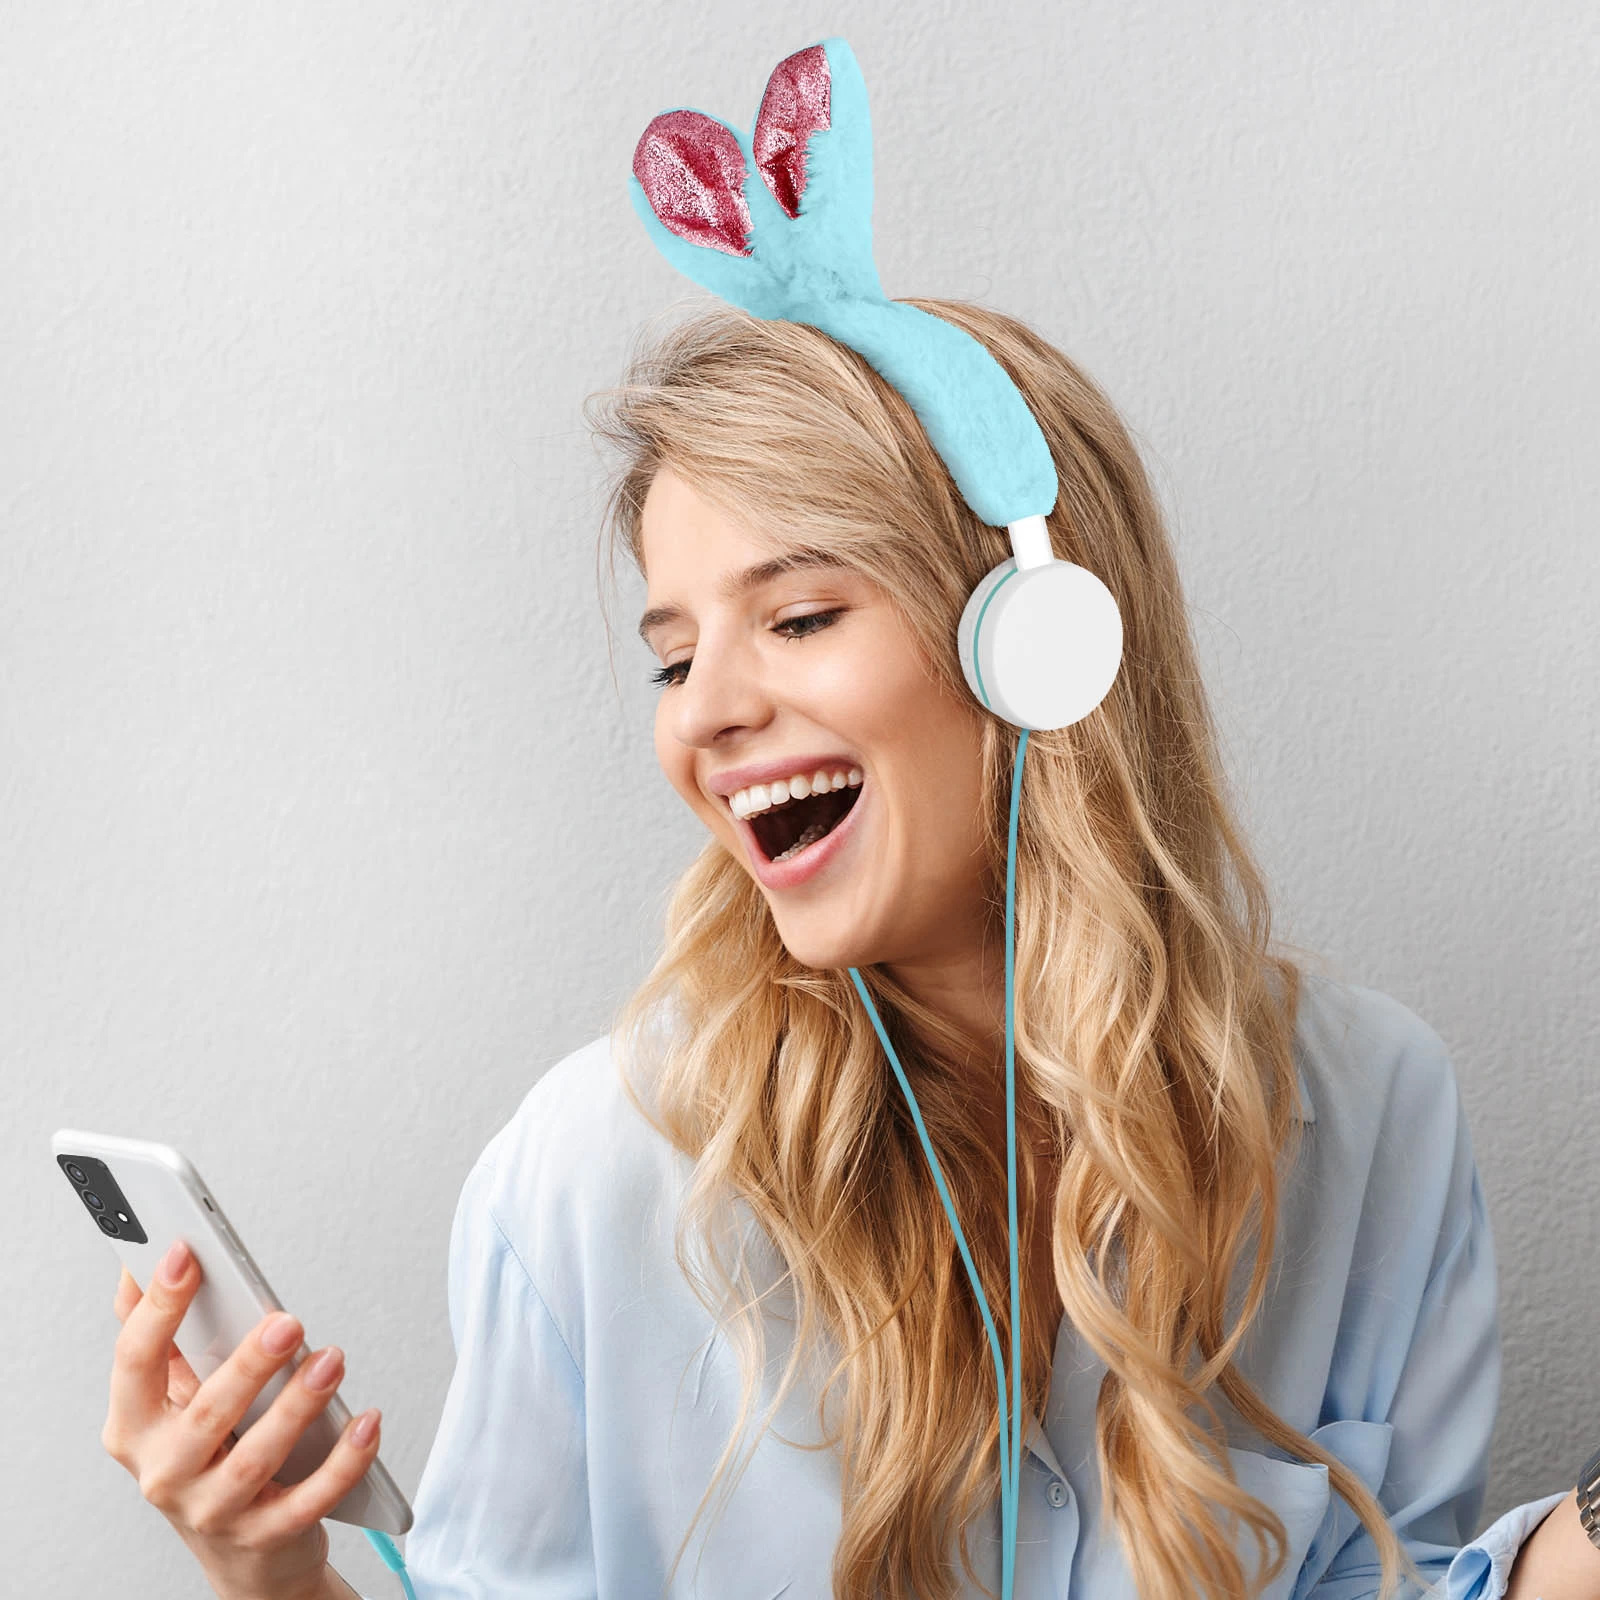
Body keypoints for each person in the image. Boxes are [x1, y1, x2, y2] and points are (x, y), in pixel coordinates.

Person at [98, 297, 1598, 1600]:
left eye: (800, 616)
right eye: (674, 659)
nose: (703, 714)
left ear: (1041, 643)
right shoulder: (593, 1172)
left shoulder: (1373, 1104)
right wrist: (272, 1575)